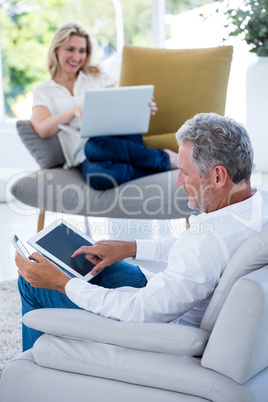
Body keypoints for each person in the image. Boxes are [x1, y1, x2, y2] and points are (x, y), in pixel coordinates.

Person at [16, 112, 268, 352]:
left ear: (218, 175)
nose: (179, 182)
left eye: (184, 172)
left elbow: (139, 311)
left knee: (33, 281)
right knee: (77, 264)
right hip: (164, 295)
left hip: (153, 327)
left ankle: (36, 367)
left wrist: (63, 283)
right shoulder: (256, 206)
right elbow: (197, 251)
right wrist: (131, 248)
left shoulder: (207, 242)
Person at [31, 23, 178, 190]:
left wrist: (140, 108)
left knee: (96, 145)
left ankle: (163, 159)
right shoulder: (44, 91)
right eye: (70, 49)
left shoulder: (97, 77)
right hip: (85, 156)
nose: (77, 57)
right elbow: (42, 129)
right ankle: (164, 161)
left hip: (120, 140)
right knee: (99, 174)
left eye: (82, 51)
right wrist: (71, 113)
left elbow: (120, 105)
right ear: (56, 50)